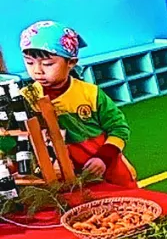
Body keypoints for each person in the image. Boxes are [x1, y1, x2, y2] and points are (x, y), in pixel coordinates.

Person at [19, 21, 136, 186]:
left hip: (105, 167)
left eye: (47, 64)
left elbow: (119, 128)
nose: (37, 70)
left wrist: (104, 157)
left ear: (71, 62)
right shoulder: (26, 98)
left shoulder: (90, 94)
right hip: (62, 175)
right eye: (29, 62)